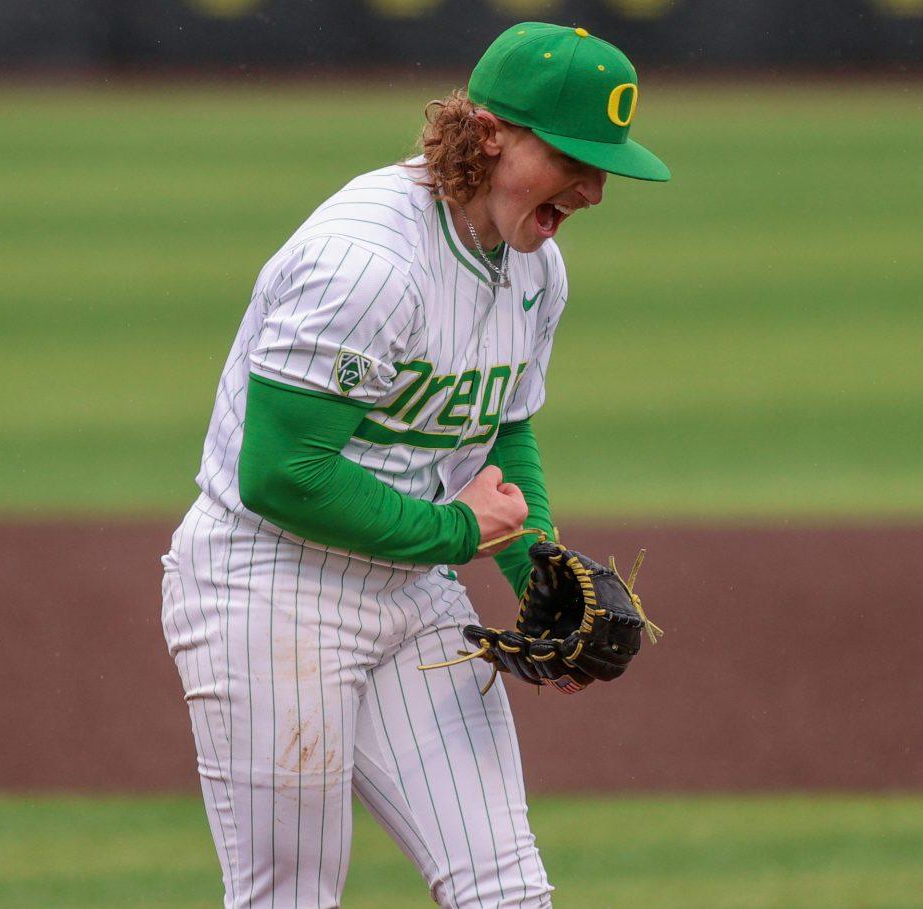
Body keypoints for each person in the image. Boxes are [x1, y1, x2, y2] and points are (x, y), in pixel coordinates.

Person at [161, 21, 670, 909]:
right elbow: (283, 474)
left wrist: (536, 565)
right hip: (270, 587)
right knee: (290, 893)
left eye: (605, 166)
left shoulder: (533, 267)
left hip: (412, 590)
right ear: (488, 134)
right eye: (571, 158)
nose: (592, 189)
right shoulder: (366, 261)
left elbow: (501, 431)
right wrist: (458, 530)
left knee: (507, 888)